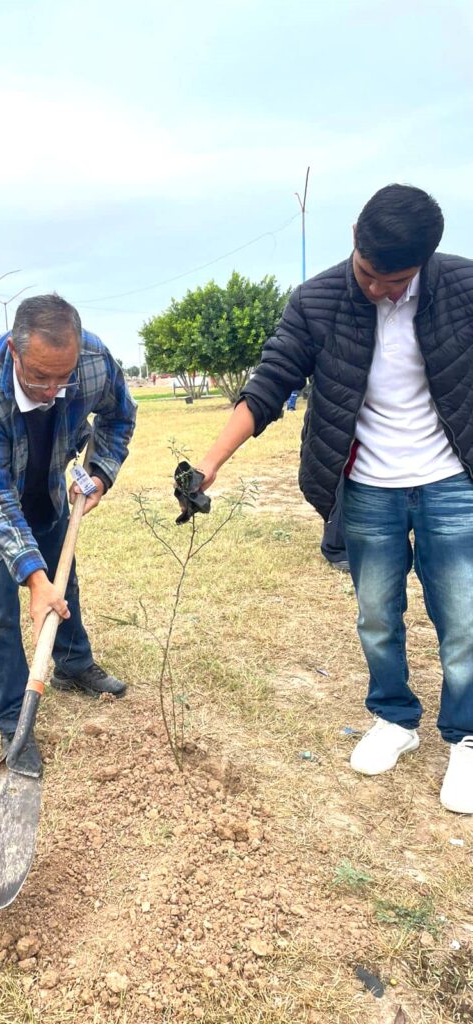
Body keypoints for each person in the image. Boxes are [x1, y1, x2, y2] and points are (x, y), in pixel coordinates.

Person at [195, 184, 473, 815]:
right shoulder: (318, 300)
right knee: (377, 615)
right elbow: (270, 383)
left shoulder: (462, 288)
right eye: (370, 273)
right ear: (354, 236)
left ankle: (466, 736)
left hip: (451, 481)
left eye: (396, 280)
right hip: (369, 486)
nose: (379, 288)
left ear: (427, 261)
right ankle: (395, 718)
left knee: (463, 618)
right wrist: (211, 461)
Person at [0, 294, 137, 774]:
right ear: (14, 349)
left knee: (62, 579)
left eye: (62, 376)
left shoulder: (93, 362)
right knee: (0, 600)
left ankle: (74, 663)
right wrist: (32, 579)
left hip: (49, 482)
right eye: (39, 376)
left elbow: (120, 417)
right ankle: (15, 718)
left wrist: (101, 472)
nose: (53, 389)